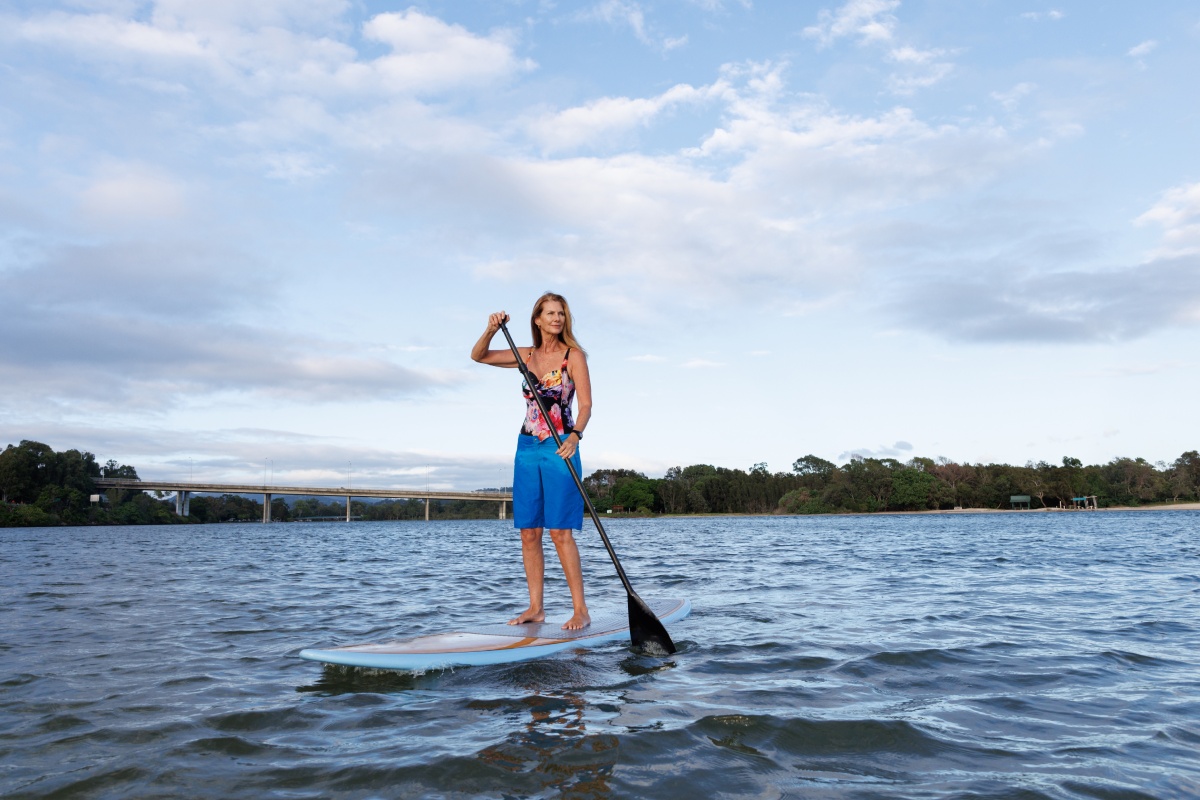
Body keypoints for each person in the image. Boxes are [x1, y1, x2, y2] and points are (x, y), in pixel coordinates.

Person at [471, 293, 593, 630]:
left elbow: (585, 406)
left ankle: (580, 609)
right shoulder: (524, 355)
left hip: (560, 447)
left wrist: (575, 435)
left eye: (562, 314)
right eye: (551, 313)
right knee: (528, 532)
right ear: (537, 319)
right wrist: (492, 328)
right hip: (526, 447)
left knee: (560, 532)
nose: (557, 319)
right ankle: (536, 608)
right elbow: (478, 355)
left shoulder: (574, 356)